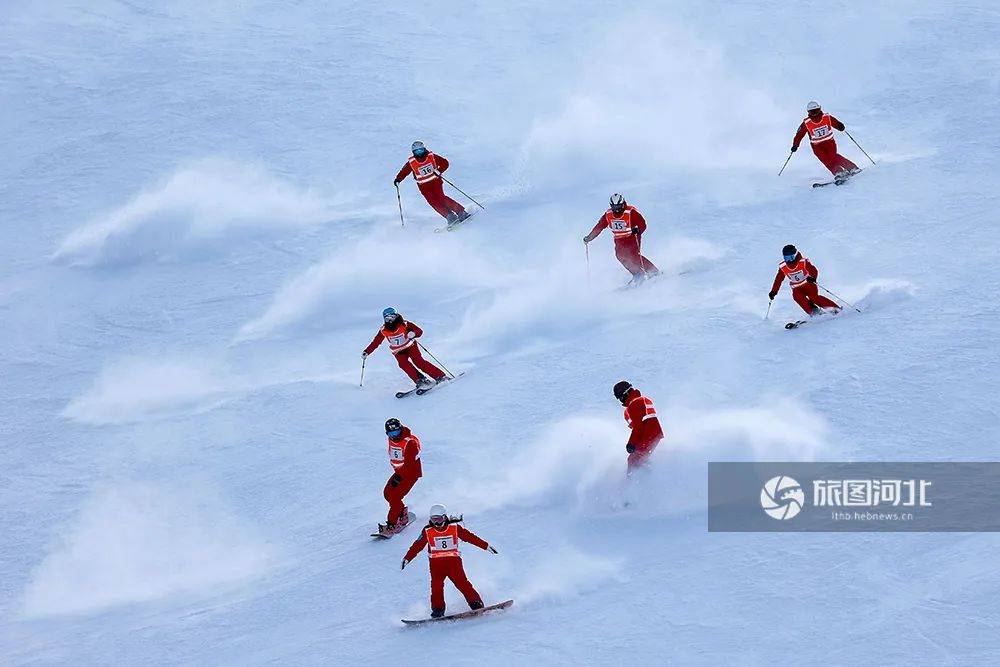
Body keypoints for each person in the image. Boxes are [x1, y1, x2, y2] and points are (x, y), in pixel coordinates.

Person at [401, 504, 498, 618]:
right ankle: (438, 610)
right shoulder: (427, 531)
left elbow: (470, 537)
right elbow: (417, 546)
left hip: (454, 564)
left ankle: (476, 603)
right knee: (436, 587)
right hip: (436, 566)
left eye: (439, 519)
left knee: (463, 584)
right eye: (433, 520)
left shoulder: (454, 528)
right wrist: (407, 558)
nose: (436, 523)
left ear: (444, 517)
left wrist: (486, 546)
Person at [584, 194, 660, 284]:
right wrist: (589, 238)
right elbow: (599, 227)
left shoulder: (631, 212)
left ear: (623, 204)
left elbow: (642, 224)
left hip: (632, 237)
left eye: (618, 206)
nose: (616, 209)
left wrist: (638, 230)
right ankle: (638, 273)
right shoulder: (608, 214)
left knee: (633, 256)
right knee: (620, 256)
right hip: (619, 239)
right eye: (614, 206)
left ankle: (653, 271)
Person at [362, 308, 447, 389]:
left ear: (396, 316)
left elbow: (419, 331)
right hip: (398, 352)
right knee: (403, 364)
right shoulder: (383, 330)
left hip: (411, 347)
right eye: (387, 318)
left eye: (392, 317)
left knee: (419, 362)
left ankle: (440, 376)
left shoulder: (405, 324)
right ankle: (420, 380)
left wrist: (413, 333)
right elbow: (376, 342)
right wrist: (367, 351)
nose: (390, 320)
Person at [393, 141, 469, 223]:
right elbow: (404, 171)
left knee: (441, 198)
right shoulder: (412, 162)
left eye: (421, 150)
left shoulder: (431, 157)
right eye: (417, 151)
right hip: (424, 187)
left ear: (424, 149)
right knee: (434, 202)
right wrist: (398, 179)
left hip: (435, 182)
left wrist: (439, 171)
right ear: (413, 152)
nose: (419, 153)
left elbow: (445, 163)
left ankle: (461, 212)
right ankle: (449, 216)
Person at [791, 101, 860, 178]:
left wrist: (840, 126)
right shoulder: (806, 123)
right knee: (826, 160)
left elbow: (835, 123)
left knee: (833, 157)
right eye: (812, 111)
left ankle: (851, 168)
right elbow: (799, 134)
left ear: (819, 109)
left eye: (816, 110)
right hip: (817, 146)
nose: (814, 113)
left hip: (829, 143)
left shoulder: (826, 117)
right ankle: (838, 172)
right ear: (808, 112)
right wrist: (795, 145)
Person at [768, 244, 841, 315]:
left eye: (791, 257)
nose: (789, 260)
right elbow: (778, 279)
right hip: (797, 288)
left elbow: (813, 270)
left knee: (814, 298)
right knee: (797, 297)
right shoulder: (783, 266)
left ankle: (835, 309)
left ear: (795, 255)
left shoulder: (802, 262)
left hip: (809, 284)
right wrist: (774, 291)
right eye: (786, 258)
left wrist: (812, 278)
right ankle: (813, 312)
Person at [380, 418, 422, 534]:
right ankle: (402, 513)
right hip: (400, 472)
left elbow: (409, 464)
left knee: (395, 498)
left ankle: (392, 524)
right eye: (391, 433)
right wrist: (398, 475)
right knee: (387, 493)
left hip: (410, 474)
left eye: (397, 432)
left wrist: (399, 478)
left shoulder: (410, 443)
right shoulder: (392, 439)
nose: (394, 435)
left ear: (401, 429)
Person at [613, 381, 664, 474]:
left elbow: (638, 427)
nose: (620, 400)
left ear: (625, 393)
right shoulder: (642, 400)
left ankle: (635, 483)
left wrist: (631, 444)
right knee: (640, 459)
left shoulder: (635, 403)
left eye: (620, 397)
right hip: (652, 435)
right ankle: (650, 473)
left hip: (648, 436)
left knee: (633, 460)